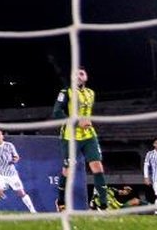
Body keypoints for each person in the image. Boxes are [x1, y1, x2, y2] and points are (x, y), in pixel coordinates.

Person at [53, 67, 108, 211]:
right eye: (75, 74)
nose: (78, 76)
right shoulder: (65, 92)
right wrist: (77, 122)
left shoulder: (91, 93)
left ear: (86, 77)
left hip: (89, 135)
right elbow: (57, 113)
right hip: (70, 137)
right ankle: (61, 201)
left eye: (82, 73)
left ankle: (103, 204)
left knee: (97, 166)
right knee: (68, 170)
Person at [0, 130, 37, 213]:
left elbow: (16, 157)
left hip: (12, 174)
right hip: (0, 174)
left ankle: (33, 210)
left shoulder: (9, 145)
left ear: (2, 136)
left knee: (21, 193)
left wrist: (13, 160)